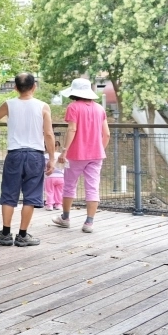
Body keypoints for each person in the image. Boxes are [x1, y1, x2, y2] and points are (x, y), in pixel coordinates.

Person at [0, 72, 55, 247]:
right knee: (31, 195)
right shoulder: (43, 106)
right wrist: (52, 158)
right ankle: (22, 235)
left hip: (14, 154)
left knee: (9, 193)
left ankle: (5, 233)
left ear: (15, 87)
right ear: (34, 87)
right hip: (35, 155)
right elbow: (48, 134)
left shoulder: (8, 104)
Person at [52, 78, 110, 233]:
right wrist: (99, 149)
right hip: (96, 155)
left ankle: (65, 218)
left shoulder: (73, 107)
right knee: (93, 187)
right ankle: (89, 223)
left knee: (70, 185)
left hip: (76, 154)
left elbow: (72, 129)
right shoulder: (100, 109)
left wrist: (64, 150)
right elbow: (107, 134)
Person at [44, 141, 65, 211]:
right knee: (59, 191)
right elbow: (66, 166)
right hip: (60, 176)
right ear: (57, 147)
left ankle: (50, 205)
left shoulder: (45, 156)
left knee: (49, 191)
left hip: (49, 176)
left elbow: (43, 166)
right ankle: (58, 204)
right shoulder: (61, 155)